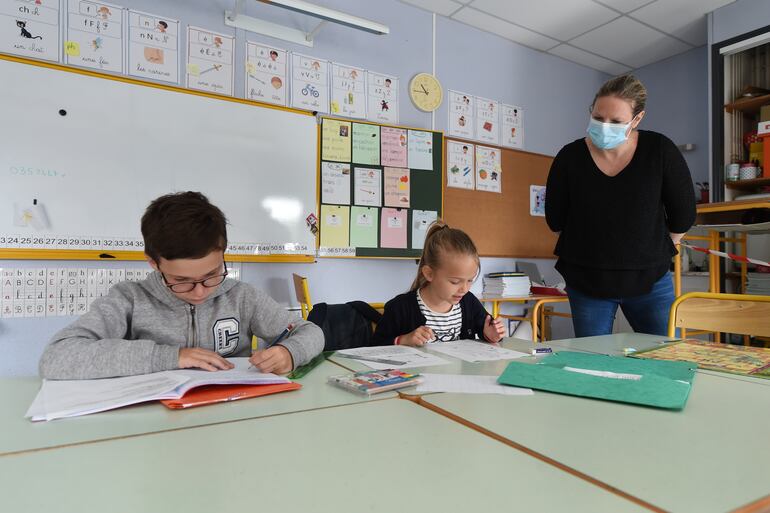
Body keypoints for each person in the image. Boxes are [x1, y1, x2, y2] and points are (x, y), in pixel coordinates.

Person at [39, 191, 324, 380]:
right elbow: (56, 358)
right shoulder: (129, 299)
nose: (200, 291)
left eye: (212, 274)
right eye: (181, 281)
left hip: (230, 418)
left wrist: (290, 353)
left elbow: (310, 332)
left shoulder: (242, 297)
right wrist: (169, 357)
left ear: (223, 252)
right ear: (154, 263)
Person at [545, 74, 696, 337]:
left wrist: (656, 248)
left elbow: (683, 214)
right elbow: (556, 219)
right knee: (592, 362)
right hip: (586, 280)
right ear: (591, 110)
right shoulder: (569, 157)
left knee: (662, 358)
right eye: (598, 117)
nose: (604, 126)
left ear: (637, 119)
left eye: (616, 122)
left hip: (651, 279)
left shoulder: (660, 150)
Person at [373, 222, 505, 346]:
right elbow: (375, 345)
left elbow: (486, 330)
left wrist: (491, 334)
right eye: (455, 281)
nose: (464, 289)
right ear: (429, 274)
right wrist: (403, 340)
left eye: (470, 280)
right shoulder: (401, 307)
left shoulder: (468, 302)